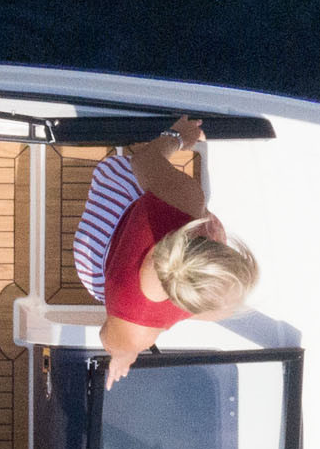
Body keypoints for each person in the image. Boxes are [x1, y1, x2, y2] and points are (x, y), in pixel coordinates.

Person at [68, 115, 258, 386]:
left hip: (96, 260)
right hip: (106, 263)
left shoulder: (186, 198)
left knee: (120, 170)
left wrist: (177, 137)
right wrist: (124, 354)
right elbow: (110, 342)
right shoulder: (140, 332)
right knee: (137, 175)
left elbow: (143, 161)